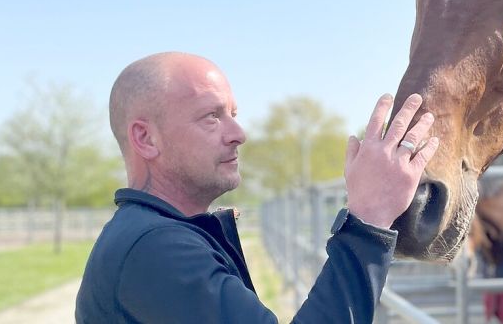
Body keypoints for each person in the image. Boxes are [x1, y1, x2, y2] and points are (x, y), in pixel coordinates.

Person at [75, 52, 440, 323]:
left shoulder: (153, 236)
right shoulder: (154, 248)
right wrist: (368, 218)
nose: (238, 134)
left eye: (233, 114)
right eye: (211, 116)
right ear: (146, 138)